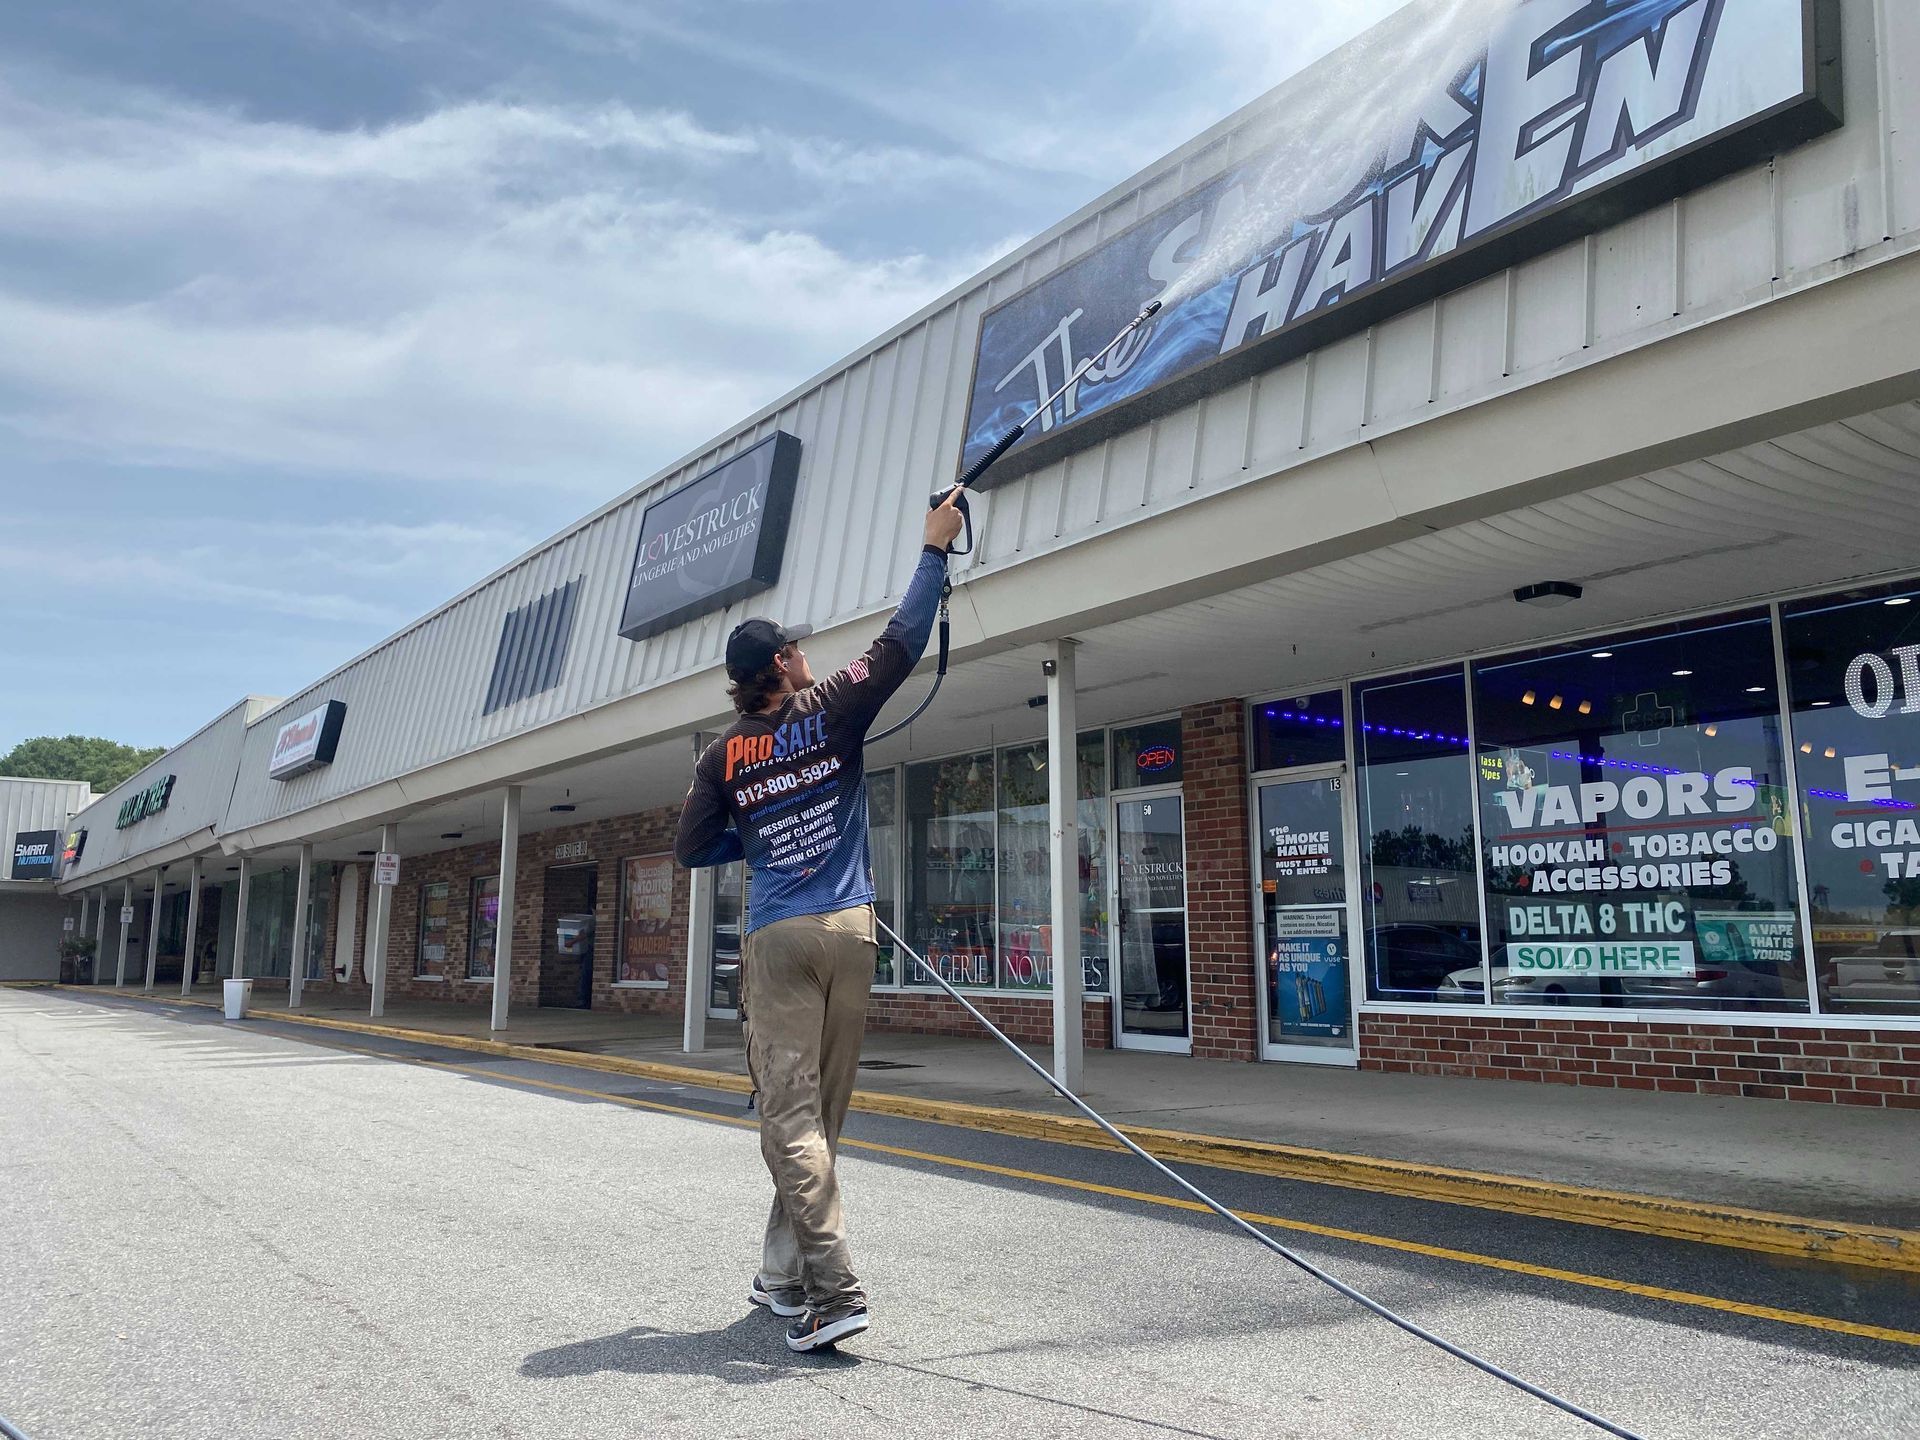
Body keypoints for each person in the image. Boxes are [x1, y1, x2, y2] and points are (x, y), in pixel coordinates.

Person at [676, 489, 966, 1353]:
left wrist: (762, 838)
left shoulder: (721, 754)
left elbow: (691, 846)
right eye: (797, 648)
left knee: (789, 1116)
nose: (808, 655)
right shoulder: (832, 709)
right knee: (815, 1119)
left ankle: (835, 1294)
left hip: (780, 939)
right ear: (785, 666)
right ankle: (782, 1275)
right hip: (851, 934)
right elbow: (900, 645)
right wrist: (933, 549)